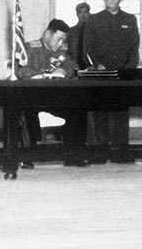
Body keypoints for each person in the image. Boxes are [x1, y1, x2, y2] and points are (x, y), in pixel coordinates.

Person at [16, 19, 88, 167]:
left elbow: (74, 67)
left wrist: (64, 70)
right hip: (32, 97)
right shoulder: (29, 48)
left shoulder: (62, 51)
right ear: (48, 34)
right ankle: (26, 157)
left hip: (55, 97)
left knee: (78, 109)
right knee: (24, 112)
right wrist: (43, 73)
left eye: (63, 40)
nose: (61, 43)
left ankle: (74, 155)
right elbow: (21, 71)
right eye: (58, 39)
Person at [83, 0, 139, 163]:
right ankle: (97, 154)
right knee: (98, 114)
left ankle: (120, 153)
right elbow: (87, 50)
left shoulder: (130, 20)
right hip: (100, 75)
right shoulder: (93, 20)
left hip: (122, 76)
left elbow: (133, 49)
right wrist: (96, 65)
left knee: (120, 113)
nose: (109, 1)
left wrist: (129, 72)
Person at [66, 2, 90, 70]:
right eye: (80, 12)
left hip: (90, 66)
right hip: (75, 65)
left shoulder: (93, 31)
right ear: (77, 14)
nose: (83, 15)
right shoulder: (71, 31)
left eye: (85, 12)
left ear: (89, 14)